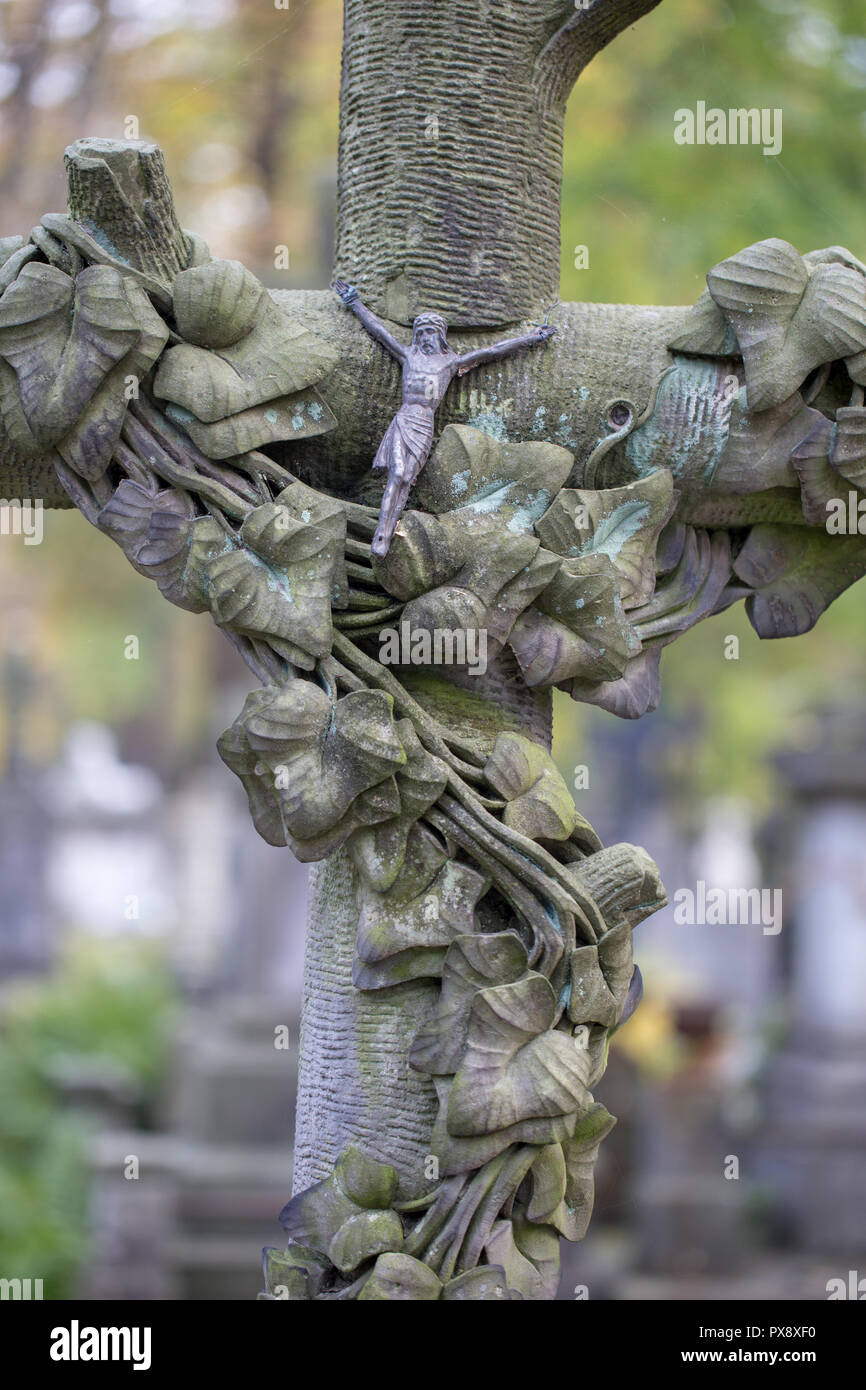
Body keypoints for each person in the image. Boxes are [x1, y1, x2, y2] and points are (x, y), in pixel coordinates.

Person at [333, 279, 556, 556]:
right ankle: (381, 535)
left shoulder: (449, 363)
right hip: (405, 419)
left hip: (424, 424)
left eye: (430, 333)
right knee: (397, 474)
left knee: (405, 480)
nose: (425, 338)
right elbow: (379, 331)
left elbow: (492, 351)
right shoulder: (408, 356)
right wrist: (353, 301)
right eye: (422, 332)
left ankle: (387, 532)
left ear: (439, 336)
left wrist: (531, 338)